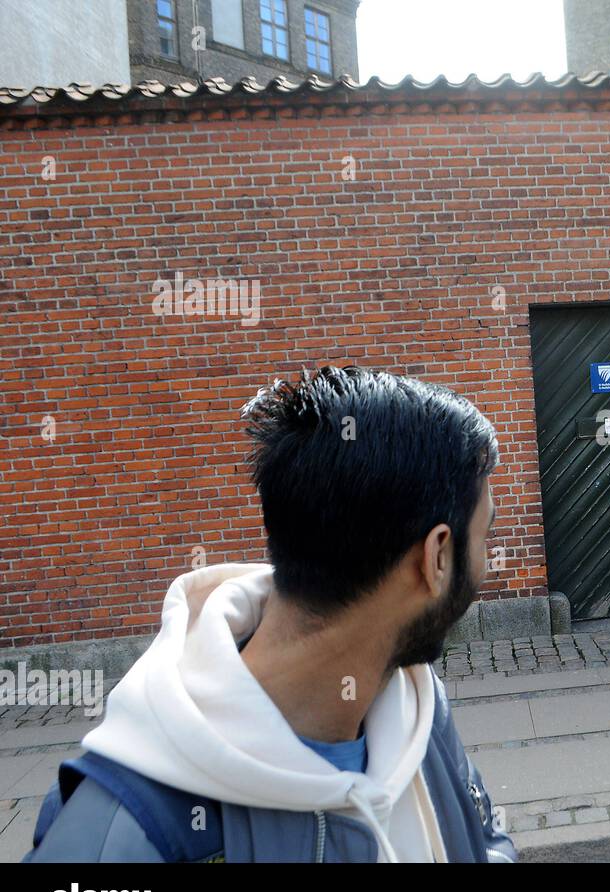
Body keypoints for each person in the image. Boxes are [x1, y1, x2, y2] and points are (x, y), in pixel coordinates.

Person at [25, 366, 516, 862]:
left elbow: (485, 844)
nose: (487, 563)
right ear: (435, 558)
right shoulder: (119, 833)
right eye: (485, 533)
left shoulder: (417, 706)